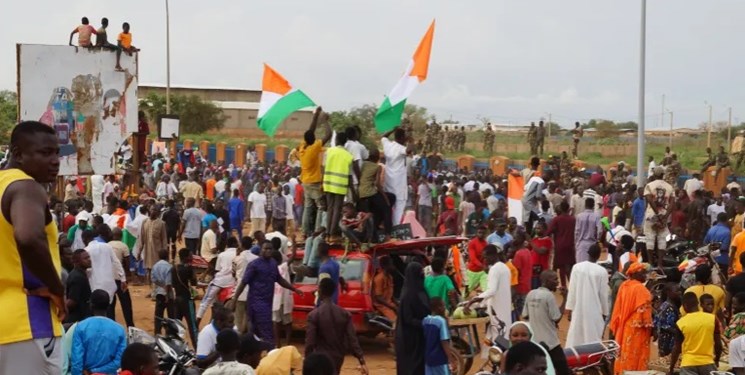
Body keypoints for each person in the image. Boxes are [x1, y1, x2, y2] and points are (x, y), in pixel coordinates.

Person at [1, 131, 66, 373]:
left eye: (57, 153)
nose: (55, 160)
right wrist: (56, 288)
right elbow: (28, 237)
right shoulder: (26, 187)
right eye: (45, 152)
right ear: (18, 154)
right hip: (27, 323)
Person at [231, 241, 303, 347]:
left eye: (270, 249)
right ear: (261, 250)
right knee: (267, 332)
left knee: (256, 331)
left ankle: (254, 354)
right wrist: (235, 299)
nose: (268, 251)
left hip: (268, 302)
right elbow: (243, 283)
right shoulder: (254, 265)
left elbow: (279, 279)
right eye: (265, 249)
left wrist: (294, 289)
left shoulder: (273, 263)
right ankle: (270, 353)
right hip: (256, 302)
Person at [306, 278, 368, 375]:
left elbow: (310, 343)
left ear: (320, 291)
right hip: (338, 357)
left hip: (321, 359)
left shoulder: (314, 315)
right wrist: (361, 361)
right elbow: (352, 339)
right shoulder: (344, 314)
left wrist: (307, 362)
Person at [609, 263, 654, 374]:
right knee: (636, 355)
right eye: (643, 273)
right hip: (637, 330)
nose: (645, 275)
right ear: (635, 273)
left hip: (625, 327)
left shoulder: (624, 286)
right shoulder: (641, 290)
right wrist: (652, 329)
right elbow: (644, 316)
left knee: (625, 353)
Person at [522, 270, 569, 374]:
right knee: (563, 371)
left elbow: (525, 315)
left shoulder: (531, 293)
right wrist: (565, 299)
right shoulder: (548, 296)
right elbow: (557, 318)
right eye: (555, 279)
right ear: (547, 281)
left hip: (535, 343)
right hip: (551, 343)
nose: (557, 282)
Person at [71, 290, 127, 375]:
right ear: (108, 306)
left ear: (91, 305)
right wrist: (96, 371)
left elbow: (76, 360)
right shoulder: (119, 329)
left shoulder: (81, 327)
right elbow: (119, 361)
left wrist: (89, 372)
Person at [565, 244, 610, 347]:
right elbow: (603, 295)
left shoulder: (577, 267)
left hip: (578, 308)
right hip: (594, 310)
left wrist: (570, 309)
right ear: (599, 255)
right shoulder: (602, 271)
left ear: (588, 253)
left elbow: (572, 290)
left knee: (576, 335)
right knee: (592, 337)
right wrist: (605, 312)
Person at [464, 245, 513, 339]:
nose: (485, 260)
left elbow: (491, 291)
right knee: (502, 335)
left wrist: (472, 301)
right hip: (503, 306)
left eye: (486, 257)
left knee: (498, 337)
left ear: (493, 255)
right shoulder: (504, 267)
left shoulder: (494, 269)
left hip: (497, 309)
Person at [670, 292, 722, 375]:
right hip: (707, 363)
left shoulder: (681, 323)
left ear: (684, 306)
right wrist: (717, 360)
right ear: (698, 303)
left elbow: (677, 348)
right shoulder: (712, 319)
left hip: (688, 364)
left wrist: (671, 368)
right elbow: (718, 344)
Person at [300, 108, 331, 236]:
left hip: (305, 181)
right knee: (321, 207)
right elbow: (328, 135)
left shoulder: (303, 147)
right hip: (314, 182)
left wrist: (316, 116)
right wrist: (325, 121)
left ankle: (305, 231)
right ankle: (318, 230)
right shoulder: (314, 148)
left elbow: (310, 130)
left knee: (308, 207)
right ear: (313, 139)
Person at [395, 262, 430, 375]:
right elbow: (408, 319)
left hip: (420, 336)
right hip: (410, 338)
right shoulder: (407, 295)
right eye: (419, 273)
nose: (422, 275)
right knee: (411, 366)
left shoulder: (421, 290)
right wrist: (424, 323)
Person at [197, 236, 238, 326]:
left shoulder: (222, 255)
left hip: (219, 281)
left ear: (227, 245)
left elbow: (217, 269)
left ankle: (197, 322)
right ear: (236, 244)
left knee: (206, 302)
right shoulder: (239, 254)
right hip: (232, 282)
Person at [323, 132, 354, 239]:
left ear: (336, 140)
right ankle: (332, 233)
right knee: (337, 209)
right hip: (340, 185)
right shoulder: (349, 156)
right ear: (345, 142)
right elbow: (350, 176)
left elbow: (323, 167)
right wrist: (353, 191)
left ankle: (327, 232)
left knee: (330, 208)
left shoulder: (329, 151)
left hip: (328, 183)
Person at [644, 166, 674, 266]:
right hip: (664, 217)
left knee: (650, 239)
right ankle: (660, 264)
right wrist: (664, 217)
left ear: (654, 174)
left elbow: (649, 200)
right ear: (662, 175)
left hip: (651, 216)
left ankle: (650, 263)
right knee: (662, 240)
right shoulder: (670, 187)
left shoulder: (649, 185)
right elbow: (672, 204)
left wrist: (657, 214)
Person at [382, 127, 410, 225]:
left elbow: (383, 137)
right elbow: (409, 151)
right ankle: (395, 229)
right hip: (399, 185)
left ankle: (388, 228)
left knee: (388, 208)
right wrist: (410, 138)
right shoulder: (400, 148)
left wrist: (392, 129)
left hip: (388, 182)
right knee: (399, 208)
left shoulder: (388, 145)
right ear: (402, 138)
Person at [545, 201, 576, 290]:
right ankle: (572, 286)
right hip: (571, 245)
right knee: (569, 266)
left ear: (561, 209)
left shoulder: (557, 219)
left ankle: (563, 286)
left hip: (559, 245)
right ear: (568, 209)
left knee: (562, 267)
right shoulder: (573, 219)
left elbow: (549, 231)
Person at [172, 248, 198, 347]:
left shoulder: (173, 268)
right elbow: (194, 283)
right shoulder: (189, 269)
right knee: (192, 326)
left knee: (177, 326)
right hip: (187, 300)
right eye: (190, 255)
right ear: (186, 257)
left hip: (177, 299)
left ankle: (176, 348)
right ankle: (197, 348)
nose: (192, 257)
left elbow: (173, 284)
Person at [422, 297, 455, 375]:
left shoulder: (425, 320)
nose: (445, 308)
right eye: (443, 306)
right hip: (440, 359)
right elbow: (444, 342)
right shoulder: (441, 321)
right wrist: (451, 359)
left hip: (427, 358)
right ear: (439, 308)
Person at [137, 205, 168, 281]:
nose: (153, 211)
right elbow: (142, 238)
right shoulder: (145, 222)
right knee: (148, 268)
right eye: (152, 209)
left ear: (157, 212)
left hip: (157, 251)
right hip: (147, 250)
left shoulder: (161, 223)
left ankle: (157, 285)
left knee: (157, 268)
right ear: (149, 211)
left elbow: (164, 239)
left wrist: (165, 252)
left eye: (155, 210)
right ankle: (150, 286)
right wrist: (139, 252)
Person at [654, 282, 681, 359]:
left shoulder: (666, 305)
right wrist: (678, 332)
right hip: (668, 341)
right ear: (668, 293)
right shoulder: (668, 307)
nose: (679, 293)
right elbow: (664, 325)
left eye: (679, 291)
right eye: (677, 291)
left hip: (665, 341)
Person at [65, 249, 92, 323]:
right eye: (85, 258)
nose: (89, 260)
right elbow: (72, 301)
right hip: (78, 318)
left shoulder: (80, 274)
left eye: (89, 257)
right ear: (77, 262)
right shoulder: (77, 277)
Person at [151, 249, 174, 335]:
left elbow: (153, 279)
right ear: (167, 256)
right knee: (171, 315)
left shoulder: (155, 266)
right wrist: (167, 296)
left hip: (158, 293)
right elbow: (168, 283)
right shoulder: (169, 266)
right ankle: (170, 333)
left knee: (158, 315)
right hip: (168, 294)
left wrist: (161, 285)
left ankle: (157, 332)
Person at [574, 198, 602, 263]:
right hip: (592, 244)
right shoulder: (597, 216)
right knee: (591, 266)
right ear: (593, 205)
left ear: (585, 205)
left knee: (580, 265)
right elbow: (600, 231)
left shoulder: (579, 216)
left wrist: (576, 243)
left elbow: (576, 232)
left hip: (581, 243)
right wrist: (598, 239)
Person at [372, 255, 398, 322]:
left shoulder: (389, 277)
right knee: (395, 321)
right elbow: (378, 298)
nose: (393, 266)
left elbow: (390, 294)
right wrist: (392, 307)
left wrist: (397, 303)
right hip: (382, 306)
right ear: (385, 266)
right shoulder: (379, 278)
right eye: (391, 264)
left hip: (389, 303)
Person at [466, 225, 488, 292]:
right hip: (473, 271)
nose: (481, 235)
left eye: (483, 233)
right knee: (467, 291)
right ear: (476, 233)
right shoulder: (472, 243)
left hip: (483, 271)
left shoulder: (486, 244)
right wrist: (482, 266)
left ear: (485, 234)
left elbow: (486, 257)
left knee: (486, 289)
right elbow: (473, 258)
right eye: (479, 232)